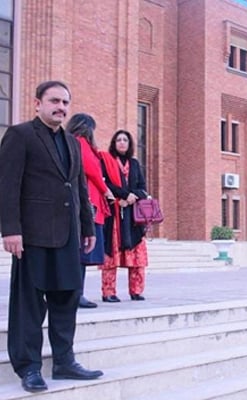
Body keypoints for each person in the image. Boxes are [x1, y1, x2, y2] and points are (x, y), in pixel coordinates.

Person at [0, 80, 104, 392]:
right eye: (54, 101)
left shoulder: (72, 142)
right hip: (32, 234)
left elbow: (80, 187)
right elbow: (7, 185)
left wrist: (87, 226)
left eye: (65, 102)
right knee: (30, 303)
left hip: (69, 234)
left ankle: (64, 362)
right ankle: (29, 367)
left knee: (67, 298)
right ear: (38, 104)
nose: (60, 107)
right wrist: (10, 229)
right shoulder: (20, 135)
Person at [66, 113, 115, 308]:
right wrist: (106, 190)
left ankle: (76, 294)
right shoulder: (80, 142)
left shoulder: (72, 142)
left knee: (81, 253)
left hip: (87, 202)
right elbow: (92, 170)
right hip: (89, 204)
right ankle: (76, 295)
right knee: (82, 251)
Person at [99, 129, 149, 302]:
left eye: (125, 140)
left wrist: (132, 197)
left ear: (129, 144)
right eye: (118, 140)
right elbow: (104, 183)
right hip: (114, 214)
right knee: (111, 255)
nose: (122, 142)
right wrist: (122, 196)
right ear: (114, 143)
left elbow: (143, 188)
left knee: (137, 256)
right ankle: (108, 292)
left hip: (133, 217)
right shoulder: (106, 161)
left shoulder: (134, 164)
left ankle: (136, 291)